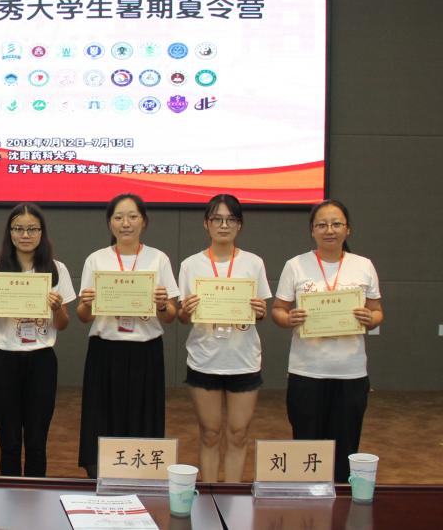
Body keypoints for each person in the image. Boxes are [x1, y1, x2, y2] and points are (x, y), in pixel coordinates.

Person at [271, 199, 383, 483]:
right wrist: (289, 318)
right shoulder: (296, 265)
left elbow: (377, 311)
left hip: (351, 373)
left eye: (336, 224)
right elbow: (278, 310)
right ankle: (308, 500)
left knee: (346, 445)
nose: (329, 230)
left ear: (348, 229)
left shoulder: (363, 265)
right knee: (306, 445)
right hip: (307, 371)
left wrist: (370, 318)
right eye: (321, 225)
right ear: (312, 230)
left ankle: (341, 501)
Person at [75, 194, 179, 478]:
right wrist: (87, 303)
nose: (126, 223)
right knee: (103, 417)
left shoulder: (158, 259)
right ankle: (102, 477)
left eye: (133, 217)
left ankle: (142, 477)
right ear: (110, 223)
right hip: (105, 351)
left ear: (144, 221)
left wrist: (162, 304)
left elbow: (170, 315)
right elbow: (83, 316)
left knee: (143, 418)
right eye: (118, 217)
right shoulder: (96, 259)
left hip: (146, 352)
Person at [0, 203, 75, 477]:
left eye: (32, 229)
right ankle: (8, 494)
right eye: (18, 228)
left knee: (37, 442)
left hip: (41, 361)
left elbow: (63, 324)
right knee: (8, 442)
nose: (25, 235)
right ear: (10, 232)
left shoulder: (57, 269)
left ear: (42, 232)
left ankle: (35, 494)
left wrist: (57, 308)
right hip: (4, 360)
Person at [177, 195, 271, 482]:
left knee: (239, 433)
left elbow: (260, 312)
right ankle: (208, 495)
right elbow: (182, 316)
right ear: (206, 224)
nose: (223, 225)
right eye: (217, 219)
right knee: (209, 433)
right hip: (204, 359)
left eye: (231, 219)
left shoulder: (253, 263)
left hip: (243, 359)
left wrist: (260, 311)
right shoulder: (191, 265)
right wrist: (186, 310)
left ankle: (233, 495)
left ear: (239, 225)